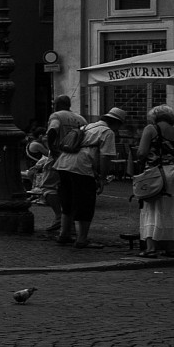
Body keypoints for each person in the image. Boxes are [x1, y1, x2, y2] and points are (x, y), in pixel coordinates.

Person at [54, 105, 121, 249]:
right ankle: (81, 239)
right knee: (85, 203)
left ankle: (64, 234)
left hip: (63, 163)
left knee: (68, 201)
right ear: (116, 123)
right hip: (81, 168)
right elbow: (105, 157)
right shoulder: (107, 132)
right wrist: (102, 177)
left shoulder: (87, 126)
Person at [132, 103, 174, 258]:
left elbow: (142, 152)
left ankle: (151, 248)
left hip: (156, 172)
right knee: (172, 210)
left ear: (155, 116)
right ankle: (171, 247)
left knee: (152, 208)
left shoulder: (151, 129)